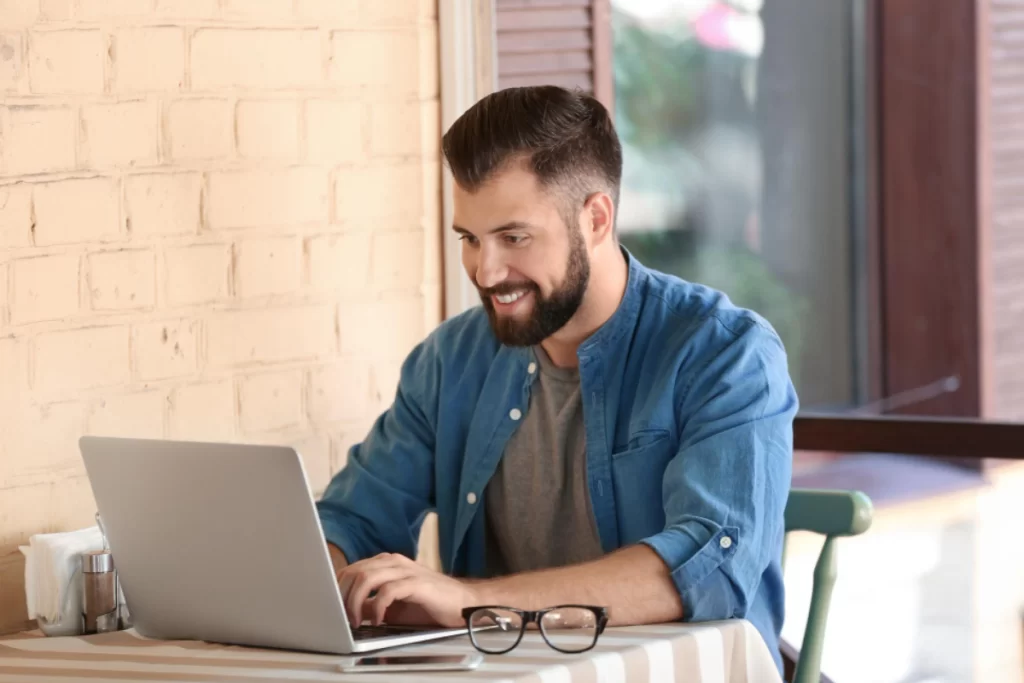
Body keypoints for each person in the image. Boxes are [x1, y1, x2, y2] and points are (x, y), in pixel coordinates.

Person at [316, 85, 797, 670]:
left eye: (514, 237)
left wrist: (471, 602)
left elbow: (705, 569)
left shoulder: (724, 353)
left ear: (595, 219)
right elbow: (354, 518)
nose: (486, 270)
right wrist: (321, 573)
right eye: (469, 239)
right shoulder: (450, 360)